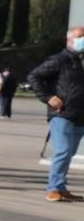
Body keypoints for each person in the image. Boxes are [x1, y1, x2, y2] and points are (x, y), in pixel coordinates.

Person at [26, 27, 84, 202]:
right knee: (63, 151)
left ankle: (60, 187)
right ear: (69, 40)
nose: (83, 40)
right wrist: (48, 97)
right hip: (62, 114)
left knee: (69, 153)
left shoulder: (80, 62)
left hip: (79, 115)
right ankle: (52, 188)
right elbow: (33, 76)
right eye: (80, 37)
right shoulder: (59, 60)